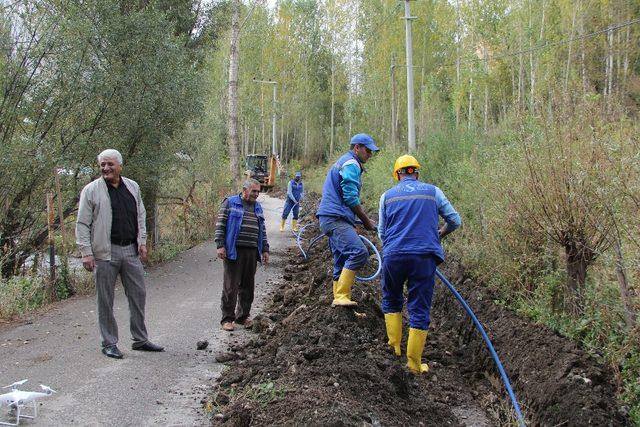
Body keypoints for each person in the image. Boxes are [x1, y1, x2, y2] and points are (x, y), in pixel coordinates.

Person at [76, 149, 164, 359]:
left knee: (138, 295)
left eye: (110, 164)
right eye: (102, 165)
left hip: (130, 251)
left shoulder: (132, 186)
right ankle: (109, 343)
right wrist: (86, 253)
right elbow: (82, 223)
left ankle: (140, 339)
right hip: (105, 252)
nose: (106, 168)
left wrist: (142, 241)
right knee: (105, 300)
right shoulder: (91, 190)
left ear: (119, 166)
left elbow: (140, 215)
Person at [378, 155, 461, 374]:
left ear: (397, 175)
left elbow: (381, 232)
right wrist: (439, 234)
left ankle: (394, 348)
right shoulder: (433, 192)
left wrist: (394, 247)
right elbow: (455, 220)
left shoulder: (386, 196)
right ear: (417, 172)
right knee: (419, 307)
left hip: (393, 255)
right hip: (424, 257)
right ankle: (414, 363)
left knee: (391, 298)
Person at [316, 133, 379, 307]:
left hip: (333, 217)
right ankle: (342, 295)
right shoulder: (351, 163)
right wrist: (366, 221)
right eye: (367, 150)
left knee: (341, 260)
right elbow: (350, 198)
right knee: (359, 253)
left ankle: (340, 302)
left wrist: (352, 222)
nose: (370, 154)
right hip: (335, 218)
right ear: (356, 147)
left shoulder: (344, 161)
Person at [215, 178, 270, 331]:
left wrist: (265, 249)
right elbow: (221, 224)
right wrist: (220, 245)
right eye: (254, 191)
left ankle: (243, 316)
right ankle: (227, 319)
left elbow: (262, 230)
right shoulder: (230, 202)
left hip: (252, 251)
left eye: (258, 191)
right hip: (234, 250)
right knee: (231, 286)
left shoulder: (258, 207)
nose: (257, 194)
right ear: (245, 190)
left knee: (248, 286)